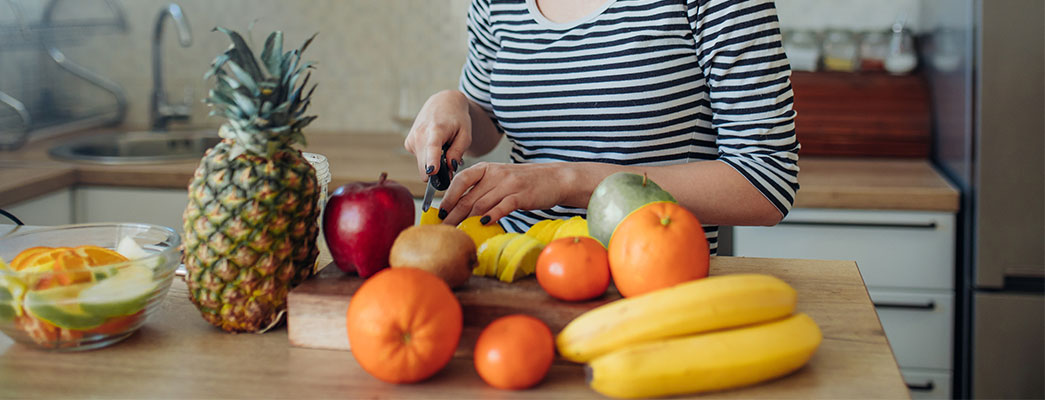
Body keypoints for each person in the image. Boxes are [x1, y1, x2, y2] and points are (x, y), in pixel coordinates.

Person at [404, 0, 799, 254]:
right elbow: (485, 124)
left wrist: (569, 180)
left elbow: (766, 181)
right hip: (514, 268)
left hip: (652, 277)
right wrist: (453, 104)